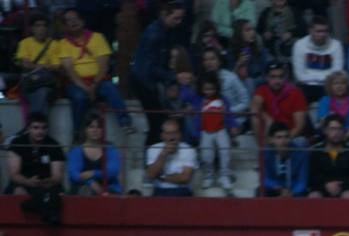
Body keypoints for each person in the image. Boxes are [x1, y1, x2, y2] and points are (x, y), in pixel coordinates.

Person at [57, 8, 135, 139]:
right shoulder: (63, 43)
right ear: (65, 26)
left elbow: (103, 66)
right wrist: (86, 88)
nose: (73, 22)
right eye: (68, 20)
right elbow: (70, 71)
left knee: (111, 88)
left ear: (83, 21)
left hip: (98, 80)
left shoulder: (97, 38)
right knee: (79, 97)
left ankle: (125, 123)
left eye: (75, 18)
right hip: (76, 83)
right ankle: (78, 133)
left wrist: (93, 85)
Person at [132, 2, 188, 144]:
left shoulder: (166, 31)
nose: (179, 22)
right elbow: (150, 68)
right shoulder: (154, 35)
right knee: (157, 123)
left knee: (158, 123)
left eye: (181, 18)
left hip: (151, 82)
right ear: (165, 15)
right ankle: (150, 155)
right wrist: (173, 76)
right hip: (145, 83)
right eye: (176, 18)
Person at [196, 74, 238, 193]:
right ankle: (208, 176)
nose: (209, 92)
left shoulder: (222, 100)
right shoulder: (199, 100)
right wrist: (196, 132)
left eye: (212, 89)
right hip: (205, 131)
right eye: (206, 89)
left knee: (225, 152)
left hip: (221, 130)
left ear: (216, 88)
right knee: (206, 155)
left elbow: (229, 114)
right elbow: (195, 117)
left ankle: (224, 176)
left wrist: (233, 125)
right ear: (201, 89)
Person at [251, 62, 309, 147]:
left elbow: (299, 126)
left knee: (301, 142)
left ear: (285, 77)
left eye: (280, 77)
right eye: (273, 77)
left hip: (290, 137)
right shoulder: (262, 90)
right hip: (270, 138)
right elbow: (254, 109)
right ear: (266, 78)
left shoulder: (296, 93)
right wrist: (266, 117)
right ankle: (262, 149)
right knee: (255, 117)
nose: (277, 81)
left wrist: (282, 140)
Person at [15, 14, 60, 120]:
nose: (41, 29)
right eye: (38, 25)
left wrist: (35, 66)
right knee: (41, 94)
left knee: (42, 92)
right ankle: (39, 125)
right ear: (32, 29)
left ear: (48, 29)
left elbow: (56, 67)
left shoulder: (54, 44)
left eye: (44, 26)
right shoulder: (24, 43)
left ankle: (33, 125)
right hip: (30, 84)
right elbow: (25, 64)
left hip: (49, 84)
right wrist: (45, 66)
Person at [293, 17, 345, 103]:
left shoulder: (336, 45)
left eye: (325, 31)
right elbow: (300, 76)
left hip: (329, 85)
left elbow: (336, 73)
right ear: (310, 31)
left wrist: (313, 77)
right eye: (319, 31)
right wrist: (323, 77)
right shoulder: (299, 45)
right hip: (307, 86)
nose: (322, 34)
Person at [68, 115, 123, 196]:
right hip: (84, 188)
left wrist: (92, 173)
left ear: (103, 130)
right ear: (85, 129)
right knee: (85, 190)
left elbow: (112, 172)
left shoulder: (110, 149)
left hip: (110, 189)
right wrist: (90, 182)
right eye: (91, 127)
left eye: (99, 127)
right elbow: (74, 175)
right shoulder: (76, 151)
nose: (95, 130)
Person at [145, 117, 198, 197]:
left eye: (175, 133)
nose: (172, 137)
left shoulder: (188, 149)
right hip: (160, 190)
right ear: (162, 135)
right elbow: (151, 175)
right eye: (168, 133)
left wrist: (162, 177)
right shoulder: (153, 149)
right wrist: (164, 153)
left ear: (179, 134)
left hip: (182, 191)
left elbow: (185, 178)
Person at [261, 122, 310, 196]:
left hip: (294, 191)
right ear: (271, 139)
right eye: (279, 137)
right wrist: (277, 188)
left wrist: (292, 193)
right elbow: (264, 179)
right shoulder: (266, 154)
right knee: (260, 190)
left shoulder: (301, 154)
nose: (283, 141)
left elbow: (302, 181)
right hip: (274, 189)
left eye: (286, 137)